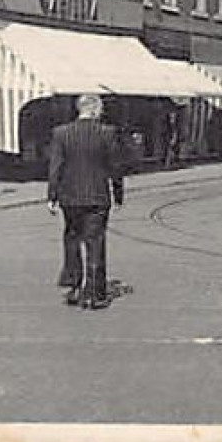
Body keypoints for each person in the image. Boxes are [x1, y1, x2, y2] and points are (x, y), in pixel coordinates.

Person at [48, 94, 127, 311]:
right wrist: (118, 194)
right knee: (95, 242)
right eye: (100, 109)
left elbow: (55, 167)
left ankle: (73, 285)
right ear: (94, 110)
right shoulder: (107, 133)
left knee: (72, 238)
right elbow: (115, 167)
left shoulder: (61, 134)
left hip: (70, 197)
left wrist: (52, 196)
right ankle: (93, 294)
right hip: (97, 196)